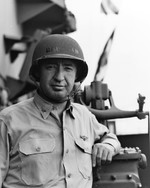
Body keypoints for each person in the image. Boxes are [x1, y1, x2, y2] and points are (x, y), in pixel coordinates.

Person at [0, 34, 121, 188]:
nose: (59, 77)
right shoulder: (8, 120)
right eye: (50, 67)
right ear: (37, 73)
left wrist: (107, 146)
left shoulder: (84, 117)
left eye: (68, 69)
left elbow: (110, 137)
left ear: (76, 75)